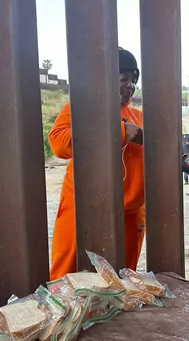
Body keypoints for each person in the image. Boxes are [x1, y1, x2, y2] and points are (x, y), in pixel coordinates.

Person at [48, 47, 145, 280]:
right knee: (66, 278)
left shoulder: (139, 117)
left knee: (121, 281)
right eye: (124, 79)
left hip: (130, 215)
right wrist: (119, 131)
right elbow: (58, 144)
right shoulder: (81, 108)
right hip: (81, 210)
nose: (130, 86)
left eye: (133, 80)